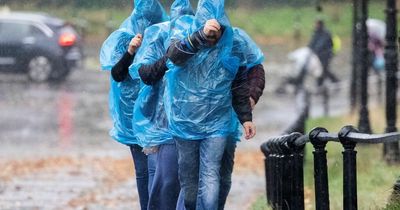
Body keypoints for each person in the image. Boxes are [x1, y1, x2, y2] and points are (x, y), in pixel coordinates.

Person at [164, 0, 256, 209]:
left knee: (210, 173)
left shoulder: (233, 44)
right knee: (188, 181)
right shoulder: (186, 36)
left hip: (218, 124)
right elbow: (173, 56)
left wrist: (246, 118)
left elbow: (239, 84)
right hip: (185, 120)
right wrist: (200, 36)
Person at [99, 1, 167, 209]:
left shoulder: (163, 33)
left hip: (155, 112)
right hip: (130, 114)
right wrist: (130, 52)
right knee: (142, 170)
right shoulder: (124, 37)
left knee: (156, 169)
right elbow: (117, 74)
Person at [308, 19, 338, 86]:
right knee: (322, 70)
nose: (315, 25)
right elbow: (312, 43)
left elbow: (322, 44)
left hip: (326, 55)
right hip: (318, 55)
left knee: (323, 69)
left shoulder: (326, 33)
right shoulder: (316, 33)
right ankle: (323, 84)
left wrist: (316, 50)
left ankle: (331, 81)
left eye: (316, 24)